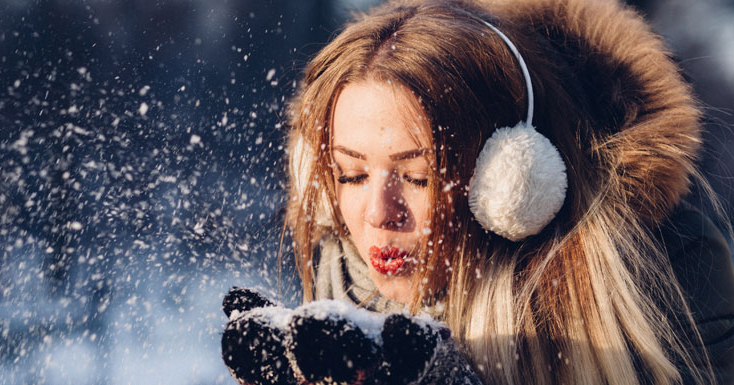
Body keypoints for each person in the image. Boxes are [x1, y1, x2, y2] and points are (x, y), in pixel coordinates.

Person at [221, 0, 734, 384]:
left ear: (512, 180)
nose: (379, 214)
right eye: (351, 175)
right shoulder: (344, 270)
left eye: (418, 177)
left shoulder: (667, 269)